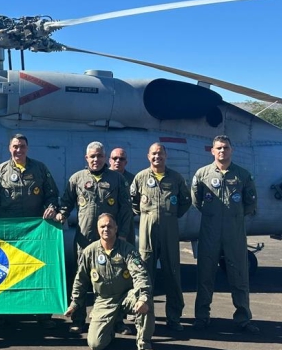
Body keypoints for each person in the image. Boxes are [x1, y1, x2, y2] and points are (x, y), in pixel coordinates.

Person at [56, 141, 133, 335]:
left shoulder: (116, 179)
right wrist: (60, 215)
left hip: (110, 240)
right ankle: (79, 319)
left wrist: (122, 234)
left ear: (104, 158)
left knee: (114, 280)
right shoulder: (77, 179)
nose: (96, 159)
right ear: (86, 158)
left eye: (99, 156)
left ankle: (117, 321)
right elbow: (66, 203)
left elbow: (125, 209)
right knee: (80, 279)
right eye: (92, 156)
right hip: (84, 239)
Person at [0, 134, 59, 329]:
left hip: (34, 229)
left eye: (22, 147)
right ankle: (1, 312)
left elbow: (51, 193)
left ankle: (43, 312)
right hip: (8, 229)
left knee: (37, 268)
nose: (19, 150)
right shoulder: (1, 170)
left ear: (27, 148)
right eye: (15, 146)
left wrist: (51, 207)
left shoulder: (40, 169)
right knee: (5, 269)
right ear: (10, 148)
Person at [65, 213, 160, 350]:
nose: (106, 229)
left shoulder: (128, 250)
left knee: (145, 300)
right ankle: (111, 326)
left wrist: (143, 296)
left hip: (125, 297)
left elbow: (140, 274)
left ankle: (144, 344)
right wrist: (75, 302)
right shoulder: (90, 251)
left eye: (109, 226)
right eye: (102, 226)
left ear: (116, 228)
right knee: (96, 344)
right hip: (104, 300)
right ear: (98, 230)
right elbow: (81, 280)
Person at [191, 135, 259, 334]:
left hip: (234, 233)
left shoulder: (242, 175)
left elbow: (250, 203)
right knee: (205, 275)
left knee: (239, 275)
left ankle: (243, 318)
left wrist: (233, 216)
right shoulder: (202, 174)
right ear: (212, 151)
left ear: (231, 150)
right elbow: (197, 201)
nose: (222, 151)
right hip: (209, 232)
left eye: (226, 148)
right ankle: (202, 317)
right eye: (219, 148)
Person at [130, 143, 191, 332]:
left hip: (169, 230)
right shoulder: (140, 177)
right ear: (148, 156)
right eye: (154, 154)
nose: (157, 157)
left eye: (160, 154)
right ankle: (144, 316)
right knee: (145, 274)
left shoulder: (175, 178)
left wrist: (170, 216)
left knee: (172, 273)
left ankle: (174, 317)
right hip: (147, 230)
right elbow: (133, 201)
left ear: (166, 155)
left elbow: (185, 201)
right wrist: (147, 217)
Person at [109, 147, 136, 246]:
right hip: (107, 221)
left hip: (126, 222)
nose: (118, 161)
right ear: (110, 160)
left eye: (121, 159)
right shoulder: (103, 177)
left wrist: (129, 214)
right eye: (114, 158)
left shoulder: (132, 179)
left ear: (126, 162)